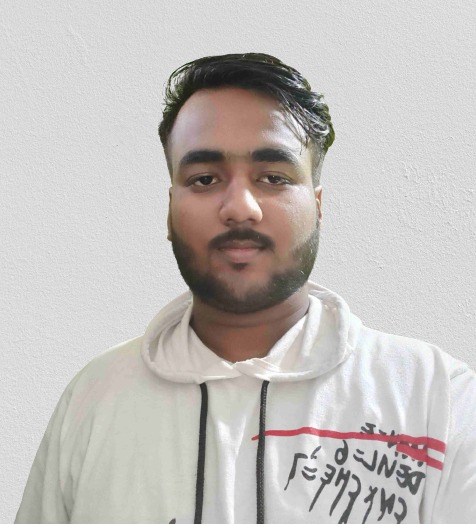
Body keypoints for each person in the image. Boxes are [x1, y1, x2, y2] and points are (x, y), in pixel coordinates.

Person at [16, 53, 476, 524]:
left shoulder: (436, 398)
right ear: (169, 210)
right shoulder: (94, 398)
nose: (240, 207)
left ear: (318, 205)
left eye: (274, 178)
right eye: (204, 179)